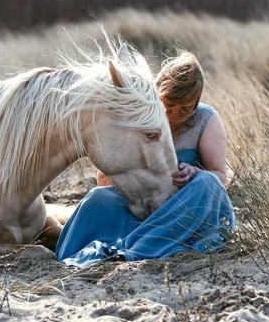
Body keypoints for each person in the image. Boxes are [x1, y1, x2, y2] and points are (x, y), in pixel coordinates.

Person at [55, 51, 236, 266]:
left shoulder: (206, 119)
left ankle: (136, 249)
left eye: (186, 108)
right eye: (168, 105)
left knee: (209, 183)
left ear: (196, 103)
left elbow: (220, 176)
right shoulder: (138, 117)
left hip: (186, 212)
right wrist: (133, 180)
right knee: (98, 197)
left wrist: (194, 173)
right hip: (142, 206)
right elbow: (104, 178)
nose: (175, 113)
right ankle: (74, 254)